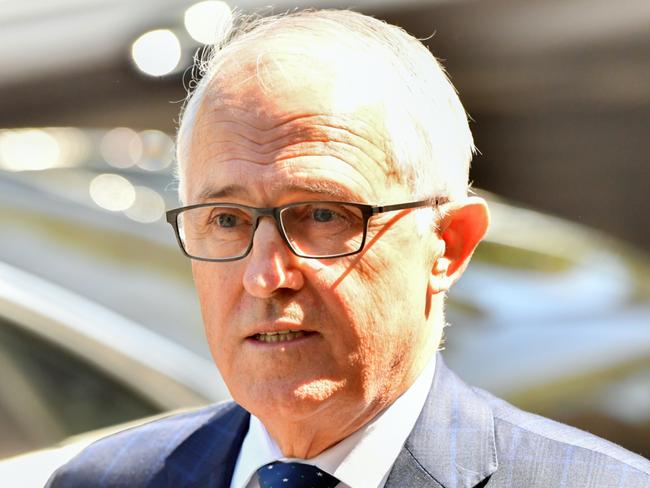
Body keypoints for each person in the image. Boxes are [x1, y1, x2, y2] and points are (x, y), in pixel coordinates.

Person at [48, 9, 650, 488]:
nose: (266, 275)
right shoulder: (104, 480)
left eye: (321, 215)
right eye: (227, 219)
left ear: (449, 243)